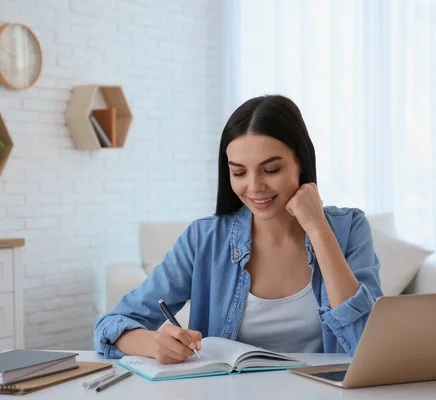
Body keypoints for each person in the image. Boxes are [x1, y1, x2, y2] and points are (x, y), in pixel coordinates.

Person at [94, 95, 383, 364]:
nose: (255, 187)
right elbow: (111, 324)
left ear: (301, 163)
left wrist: (318, 228)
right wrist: (154, 342)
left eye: (271, 170)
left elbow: (367, 345)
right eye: (239, 172)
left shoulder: (350, 229)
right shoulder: (204, 240)